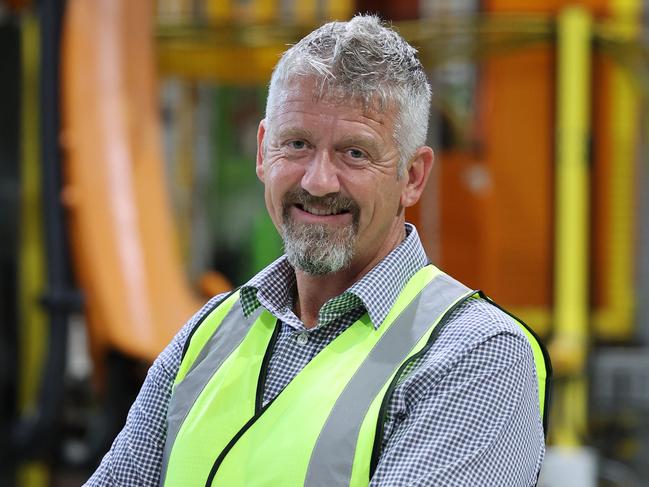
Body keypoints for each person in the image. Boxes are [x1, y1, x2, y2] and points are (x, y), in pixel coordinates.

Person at [86, 14, 550, 486]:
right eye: (298, 144)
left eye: (355, 153)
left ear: (412, 177)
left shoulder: (475, 356)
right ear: (264, 150)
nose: (318, 181)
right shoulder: (208, 336)